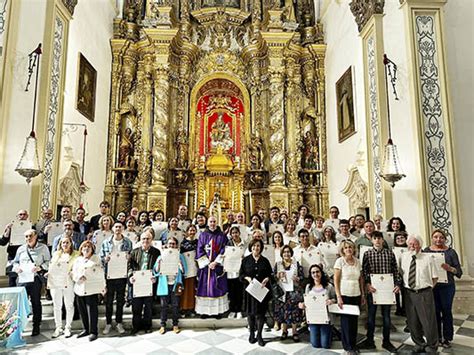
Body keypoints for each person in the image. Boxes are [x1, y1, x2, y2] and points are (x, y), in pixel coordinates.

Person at [359, 231, 400, 353]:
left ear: (383, 240)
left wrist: (397, 284)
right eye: (375, 238)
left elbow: (395, 270)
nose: (377, 240)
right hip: (373, 290)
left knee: (386, 317)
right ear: (372, 240)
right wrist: (367, 284)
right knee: (371, 317)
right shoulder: (367, 254)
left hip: (387, 290)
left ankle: (386, 341)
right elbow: (365, 271)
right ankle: (369, 340)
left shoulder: (389, 254)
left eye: (379, 238)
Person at [424, 229, 462, 348]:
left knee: (446, 312)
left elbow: (459, 272)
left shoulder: (451, 252)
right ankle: (437, 338)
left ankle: (447, 338)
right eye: (435, 237)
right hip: (432, 287)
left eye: (441, 237)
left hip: (447, 287)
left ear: (445, 239)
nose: (438, 239)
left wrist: (450, 268)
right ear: (432, 238)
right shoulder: (426, 251)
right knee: (434, 313)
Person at [400, 235, 438, 353]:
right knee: (412, 320)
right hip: (409, 293)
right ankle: (419, 343)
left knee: (428, 321)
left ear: (420, 245)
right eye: (410, 244)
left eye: (414, 244)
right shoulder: (403, 257)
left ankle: (432, 345)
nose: (412, 246)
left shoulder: (428, 258)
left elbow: (435, 277)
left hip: (424, 293)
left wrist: (427, 290)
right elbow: (402, 274)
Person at [13, 229, 51, 336]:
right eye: (26, 237)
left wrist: (40, 267)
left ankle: (36, 325)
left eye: (30, 236)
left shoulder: (43, 248)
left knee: (36, 302)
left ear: (35, 236)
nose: (28, 238)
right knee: (21, 303)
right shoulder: (21, 249)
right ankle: (19, 326)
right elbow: (15, 262)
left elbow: (49, 262)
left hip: (35, 279)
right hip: (22, 280)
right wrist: (16, 268)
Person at [99, 222, 133, 335]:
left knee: (120, 300)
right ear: (113, 228)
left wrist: (129, 258)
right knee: (108, 301)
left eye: (120, 227)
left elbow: (131, 257)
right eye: (116, 227)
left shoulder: (128, 242)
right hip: (109, 275)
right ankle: (108, 323)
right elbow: (101, 257)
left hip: (122, 275)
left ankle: (119, 322)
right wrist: (105, 259)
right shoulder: (106, 242)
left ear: (123, 228)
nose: (118, 228)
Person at [239, 239, 273, 347]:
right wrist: (247, 278)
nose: (256, 248)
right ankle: (251, 333)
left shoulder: (265, 261)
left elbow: (270, 275)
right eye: (254, 246)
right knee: (250, 314)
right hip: (250, 291)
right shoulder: (245, 261)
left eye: (258, 246)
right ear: (251, 247)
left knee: (261, 314)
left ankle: (259, 335)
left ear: (261, 248)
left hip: (261, 291)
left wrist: (267, 279)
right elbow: (240, 276)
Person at [334, 240, 365, 355]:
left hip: (356, 294)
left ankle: (354, 344)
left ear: (354, 249)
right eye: (346, 248)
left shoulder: (357, 261)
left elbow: (361, 279)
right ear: (343, 250)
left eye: (350, 247)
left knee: (354, 322)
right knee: (346, 323)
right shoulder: (339, 262)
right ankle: (348, 347)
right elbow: (336, 280)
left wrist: (362, 295)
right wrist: (338, 296)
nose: (348, 249)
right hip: (344, 295)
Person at [195, 216, 229, 317]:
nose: (213, 224)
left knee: (217, 288)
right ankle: (204, 312)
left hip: (217, 267)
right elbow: (199, 249)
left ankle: (217, 312)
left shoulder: (222, 235)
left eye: (214, 222)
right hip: (206, 268)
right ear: (208, 223)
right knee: (205, 288)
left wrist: (216, 262)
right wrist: (207, 263)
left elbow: (225, 249)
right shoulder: (203, 235)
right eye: (211, 222)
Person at [128, 229, 160, 334]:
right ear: (140, 240)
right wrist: (130, 276)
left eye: (148, 238)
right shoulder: (134, 252)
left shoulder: (156, 252)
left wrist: (156, 277)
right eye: (144, 238)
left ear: (151, 240)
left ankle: (147, 326)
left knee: (148, 307)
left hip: (149, 283)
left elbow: (158, 267)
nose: (145, 240)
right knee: (136, 307)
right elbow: (130, 267)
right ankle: (136, 326)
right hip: (137, 283)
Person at [47, 236, 80, 338]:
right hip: (56, 283)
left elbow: (79, 268)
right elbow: (52, 267)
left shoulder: (77, 254)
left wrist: (73, 272)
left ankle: (68, 327)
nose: (65, 245)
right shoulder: (56, 254)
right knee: (57, 305)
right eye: (63, 243)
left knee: (69, 305)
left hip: (69, 282)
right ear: (60, 244)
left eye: (67, 242)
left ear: (71, 243)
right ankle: (58, 327)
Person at [72, 240, 104, 341]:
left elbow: (100, 273)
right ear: (81, 249)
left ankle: (93, 331)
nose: (86, 249)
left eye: (88, 247)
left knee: (92, 311)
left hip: (92, 289)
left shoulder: (96, 259)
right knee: (82, 311)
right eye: (84, 247)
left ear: (92, 249)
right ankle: (86, 329)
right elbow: (73, 273)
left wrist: (103, 286)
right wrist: (78, 277)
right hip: (79, 288)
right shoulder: (78, 260)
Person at [154, 237, 187, 334]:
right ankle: (162, 325)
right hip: (164, 285)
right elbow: (155, 271)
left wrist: (181, 266)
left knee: (175, 305)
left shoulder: (180, 256)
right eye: (170, 244)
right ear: (166, 245)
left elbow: (185, 271)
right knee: (164, 306)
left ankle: (175, 325)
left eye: (173, 244)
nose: (171, 246)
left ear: (176, 245)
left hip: (176, 284)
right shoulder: (161, 256)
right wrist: (159, 264)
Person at [299, 264, 336, 349]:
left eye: (317, 272)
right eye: (313, 272)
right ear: (311, 275)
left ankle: (329, 333)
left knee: (325, 345)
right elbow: (306, 301)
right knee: (315, 344)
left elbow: (335, 299)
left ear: (321, 273)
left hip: (326, 318)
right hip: (313, 318)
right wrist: (302, 305)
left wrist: (331, 301)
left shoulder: (329, 286)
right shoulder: (308, 287)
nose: (316, 274)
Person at [274, 245, 304, 342]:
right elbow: (273, 278)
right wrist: (277, 276)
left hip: (293, 292)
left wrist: (298, 279)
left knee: (294, 311)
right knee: (283, 311)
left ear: (291, 253)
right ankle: (284, 330)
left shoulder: (296, 264)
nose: (286, 254)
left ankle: (295, 332)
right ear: (282, 254)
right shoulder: (278, 264)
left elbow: (302, 277)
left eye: (288, 252)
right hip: (282, 292)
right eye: (284, 252)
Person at [1, 209, 31, 286]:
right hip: (13, 255)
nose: (22, 216)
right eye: (20, 214)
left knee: (26, 278)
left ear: (27, 216)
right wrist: (7, 230)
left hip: (26, 256)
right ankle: (12, 296)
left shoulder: (31, 227)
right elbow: (2, 242)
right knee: (12, 277)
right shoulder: (11, 226)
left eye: (24, 214)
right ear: (17, 216)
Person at [226, 226, 245, 319]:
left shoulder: (243, 244)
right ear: (231, 234)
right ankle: (232, 310)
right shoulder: (228, 244)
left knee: (239, 292)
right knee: (232, 292)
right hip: (230, 271)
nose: (235, 235)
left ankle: (239, 310)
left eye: (236, 232)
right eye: (233, 233)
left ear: (239, 233)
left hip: (240, 271)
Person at [180, 224, 199, 316]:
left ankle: (192, 308)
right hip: (186, 269)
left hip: (195, 268)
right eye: (190, 230)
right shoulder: (183, 243)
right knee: (185, 289)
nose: (192, 232)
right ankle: (184, 308)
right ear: (187, 232)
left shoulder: (198, 242)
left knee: (193, 289)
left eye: (193, 230)